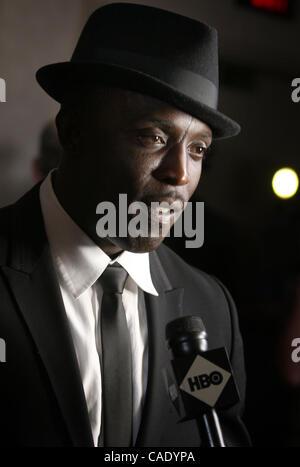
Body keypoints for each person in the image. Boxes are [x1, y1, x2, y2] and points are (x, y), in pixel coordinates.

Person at [0, 3, 251, 447]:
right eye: (154, 137)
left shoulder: (208, 306)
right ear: (72, 129)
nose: (179, 174)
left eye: (197, 150)